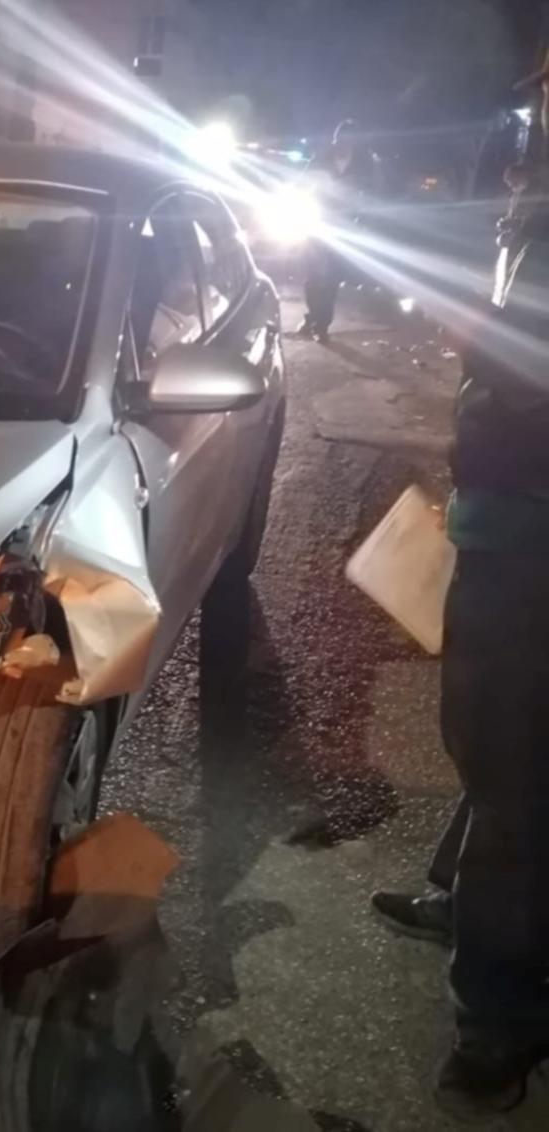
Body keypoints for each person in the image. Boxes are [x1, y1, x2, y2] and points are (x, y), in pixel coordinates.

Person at [371, 52, 549, 1121]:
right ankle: (461, 893)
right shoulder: (527, 182)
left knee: (510, 761)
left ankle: (497, 1016)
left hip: (531, 527)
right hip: (506, 507)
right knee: (496, 750)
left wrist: (463, 328)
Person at [297, 119, 378, 343]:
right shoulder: (321, 158)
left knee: (331, 279)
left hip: (344, 227)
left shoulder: (364, 163)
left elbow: (371, 193)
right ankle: (312, 316)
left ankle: (321, 325)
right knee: (312, 276)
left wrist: (362, 220)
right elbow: (302, 182)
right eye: (342, 138)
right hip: (316, 223)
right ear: (336, 138)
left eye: (351, 139)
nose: (346, 143)